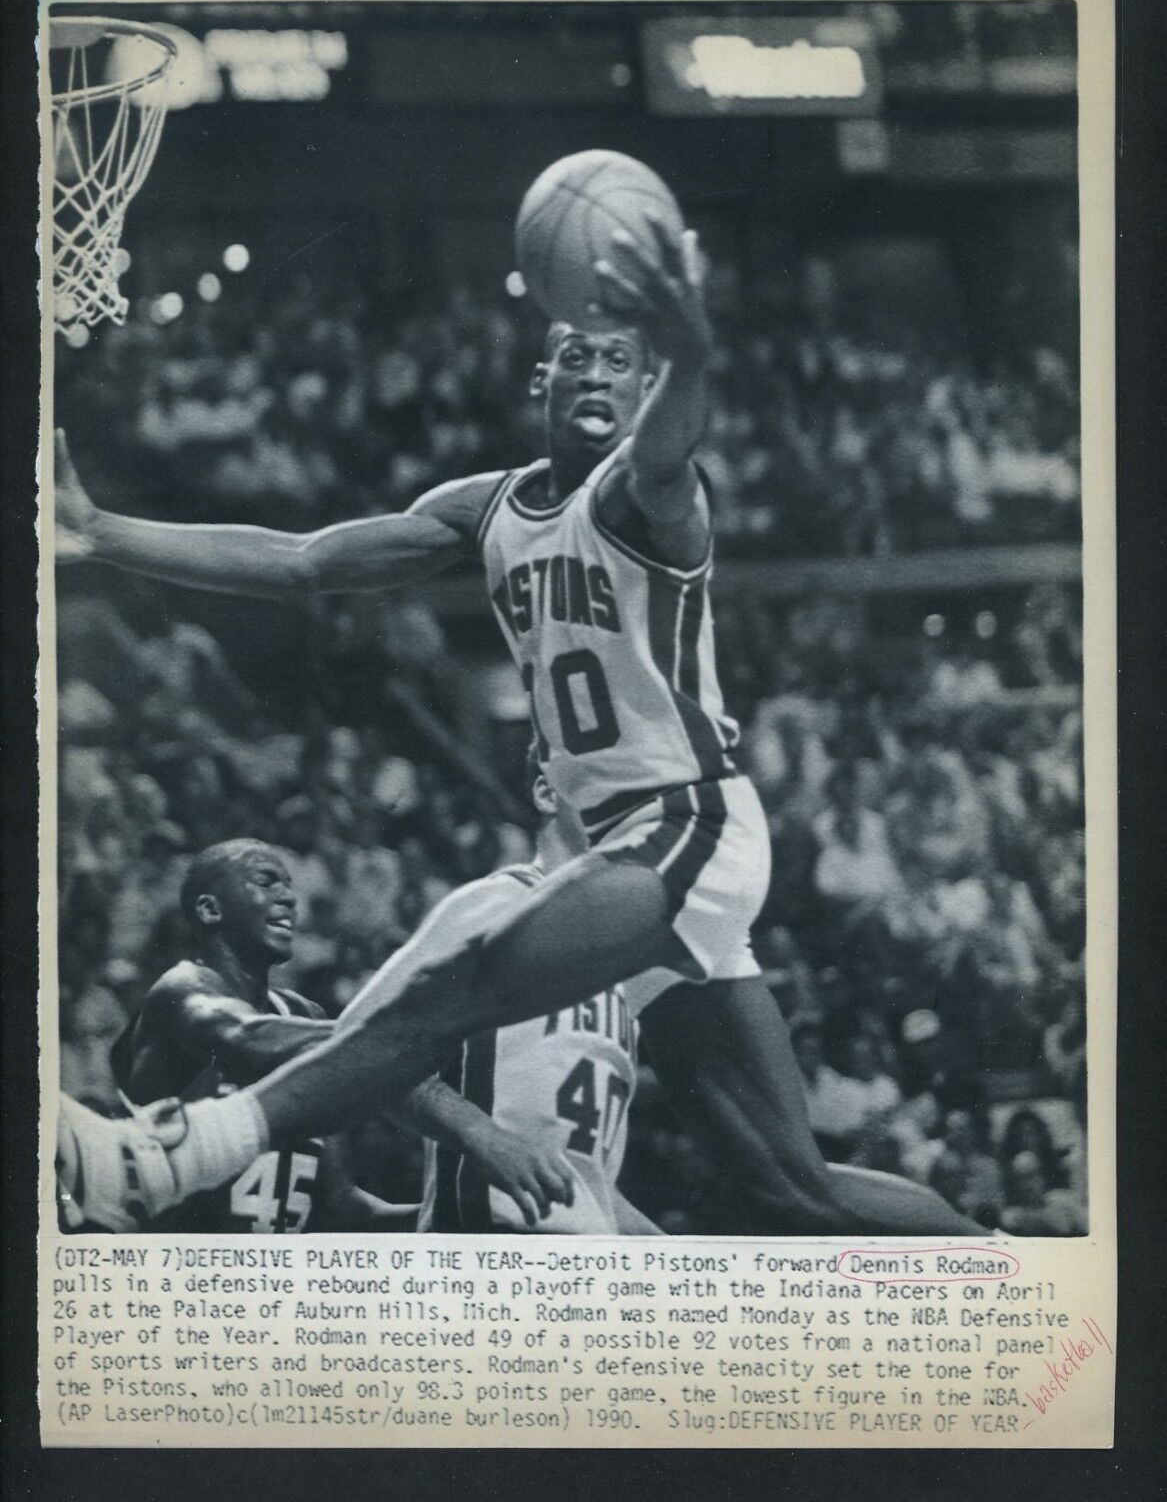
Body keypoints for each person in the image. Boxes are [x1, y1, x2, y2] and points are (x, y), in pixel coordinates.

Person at [56, 213, 980, 1236]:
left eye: (620, 364)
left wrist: (688, 331)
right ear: (539, 385)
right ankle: (999, 1261)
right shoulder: (484, 509)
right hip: (610, 857)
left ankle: (163, 1159)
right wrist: (101, 534)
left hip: (683, 825)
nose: (596, 374)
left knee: (446, 993)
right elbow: (303, 559)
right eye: (574, 357)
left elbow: (678, 433)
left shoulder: (648, 494)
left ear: (642, 391)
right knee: (788, 1184)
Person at [387, 761, 656, 1235]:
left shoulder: (620, 970)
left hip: (587, 1264)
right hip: (486, 1243)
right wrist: (479, 1133)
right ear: (547, 793)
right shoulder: (493, 905)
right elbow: (357, 1051)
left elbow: (590, 1185)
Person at [108, 838, 405, 1232]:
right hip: (179, 1277)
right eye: (267, 881)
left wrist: (450, 1217)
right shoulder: (177, 992)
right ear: (210, 909)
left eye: (290, 885)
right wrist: (412, 1034)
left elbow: (341, 1206)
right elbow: (245, 1039)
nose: (289, 898)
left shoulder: (303, 1015)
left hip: (271, 1280)